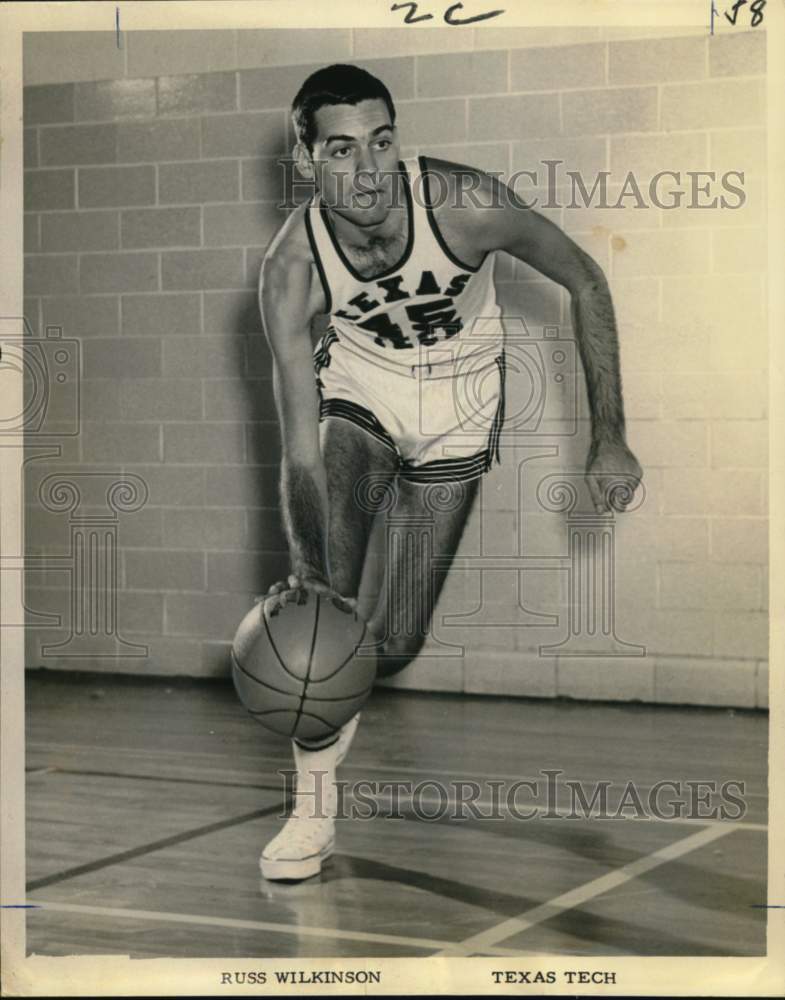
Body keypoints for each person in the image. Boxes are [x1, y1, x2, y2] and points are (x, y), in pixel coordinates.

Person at [256, 64, 643, 881]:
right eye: (341, 150)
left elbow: (585, 276)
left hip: (462, 411)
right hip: (361, 397)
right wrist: (307, 567)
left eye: (382, 143)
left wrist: (609, 434)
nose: (367, 172)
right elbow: (298, 445)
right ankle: (310, 812)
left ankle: (343, 685)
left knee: (390, 645)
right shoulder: (292, 269)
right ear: (305, 160)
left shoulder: (462, 204)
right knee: (321, 625)